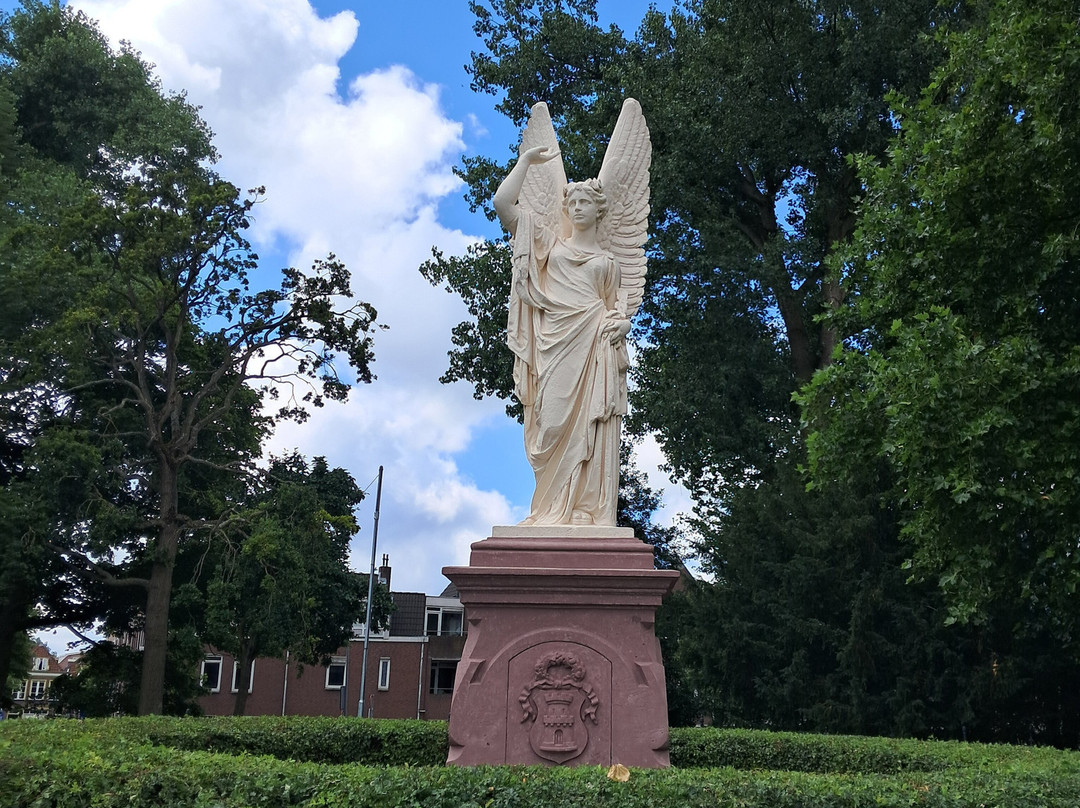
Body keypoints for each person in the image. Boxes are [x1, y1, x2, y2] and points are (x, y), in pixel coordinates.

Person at [494, 147, 631, 526]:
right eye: (574, 202)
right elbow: (503, 204)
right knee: (548, 426)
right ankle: (548, 511)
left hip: (594, 348)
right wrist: (525, 162)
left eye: (587, 201)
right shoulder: (548, 244)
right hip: (554, 346)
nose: (580, 207)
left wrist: (623, 325)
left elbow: (616, 307)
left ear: (598, 210)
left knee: (594, 424)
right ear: (566, 209)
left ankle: (583, 509)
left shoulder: (609, 262)